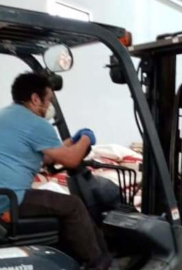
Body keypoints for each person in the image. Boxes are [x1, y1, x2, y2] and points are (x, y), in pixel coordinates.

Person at [0, 73, 111, 270]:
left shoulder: (8, 115)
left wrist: (72, 141)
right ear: (35, 99)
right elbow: (71, 159)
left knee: (62, 204)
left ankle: (97, 255)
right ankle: (98, 264)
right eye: (48, 99)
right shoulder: (36, 124)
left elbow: (48, 156)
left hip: (6, 194)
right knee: (74, 205)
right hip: (9, 201)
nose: (49, 106)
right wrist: (86, 138)